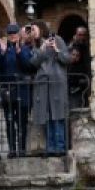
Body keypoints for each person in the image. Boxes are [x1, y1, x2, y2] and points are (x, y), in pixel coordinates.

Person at [29, 21, 71, 156]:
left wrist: (57, 50)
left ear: (41, 29)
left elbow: (67, 59)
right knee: (46, 115)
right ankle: (50, 147)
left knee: (58, 115)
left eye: (34, 29)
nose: (32, 32)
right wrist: (42, 49)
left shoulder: (57, 40)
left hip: (57, 83)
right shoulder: (36, 45)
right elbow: (33, 63)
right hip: (43, 84)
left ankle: (60, 146)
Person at [0, 23, 34, 158]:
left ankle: (22, 149)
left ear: (19, 35)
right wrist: (2, 53)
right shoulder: (1, 49)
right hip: (8, 90)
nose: (12, 36)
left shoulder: (25, 49)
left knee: (22, 122)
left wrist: (19, 53)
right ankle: (12, 149)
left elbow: (28, 66)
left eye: (14, 34)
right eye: (10, 34)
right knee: (9, 121)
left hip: (22, 90)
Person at [67, 25, 91, 109]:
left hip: (84, 81)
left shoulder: (88, 47)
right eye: (80, 35)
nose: (82, 37)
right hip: (73, 83)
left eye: (84, 35)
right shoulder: (71, 46)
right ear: (76, 35)